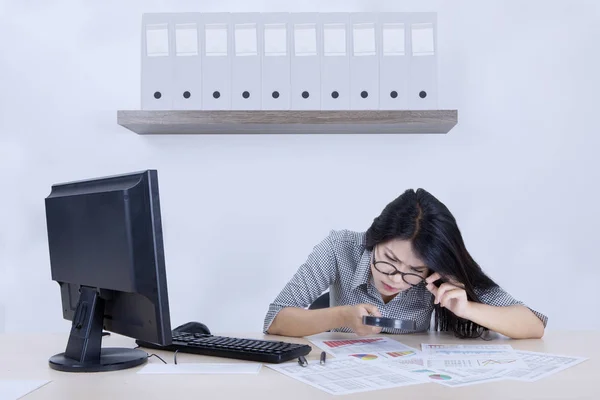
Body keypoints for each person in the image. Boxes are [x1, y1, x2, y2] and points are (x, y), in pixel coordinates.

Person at [263, 188, 547, 339]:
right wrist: (341, 317)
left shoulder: (440, 271)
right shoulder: (341, 247)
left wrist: (468, 309)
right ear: (375, 239)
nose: (397, 279)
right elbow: (275, 320)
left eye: (414, 272)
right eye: (389, 260)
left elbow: (533, 325)